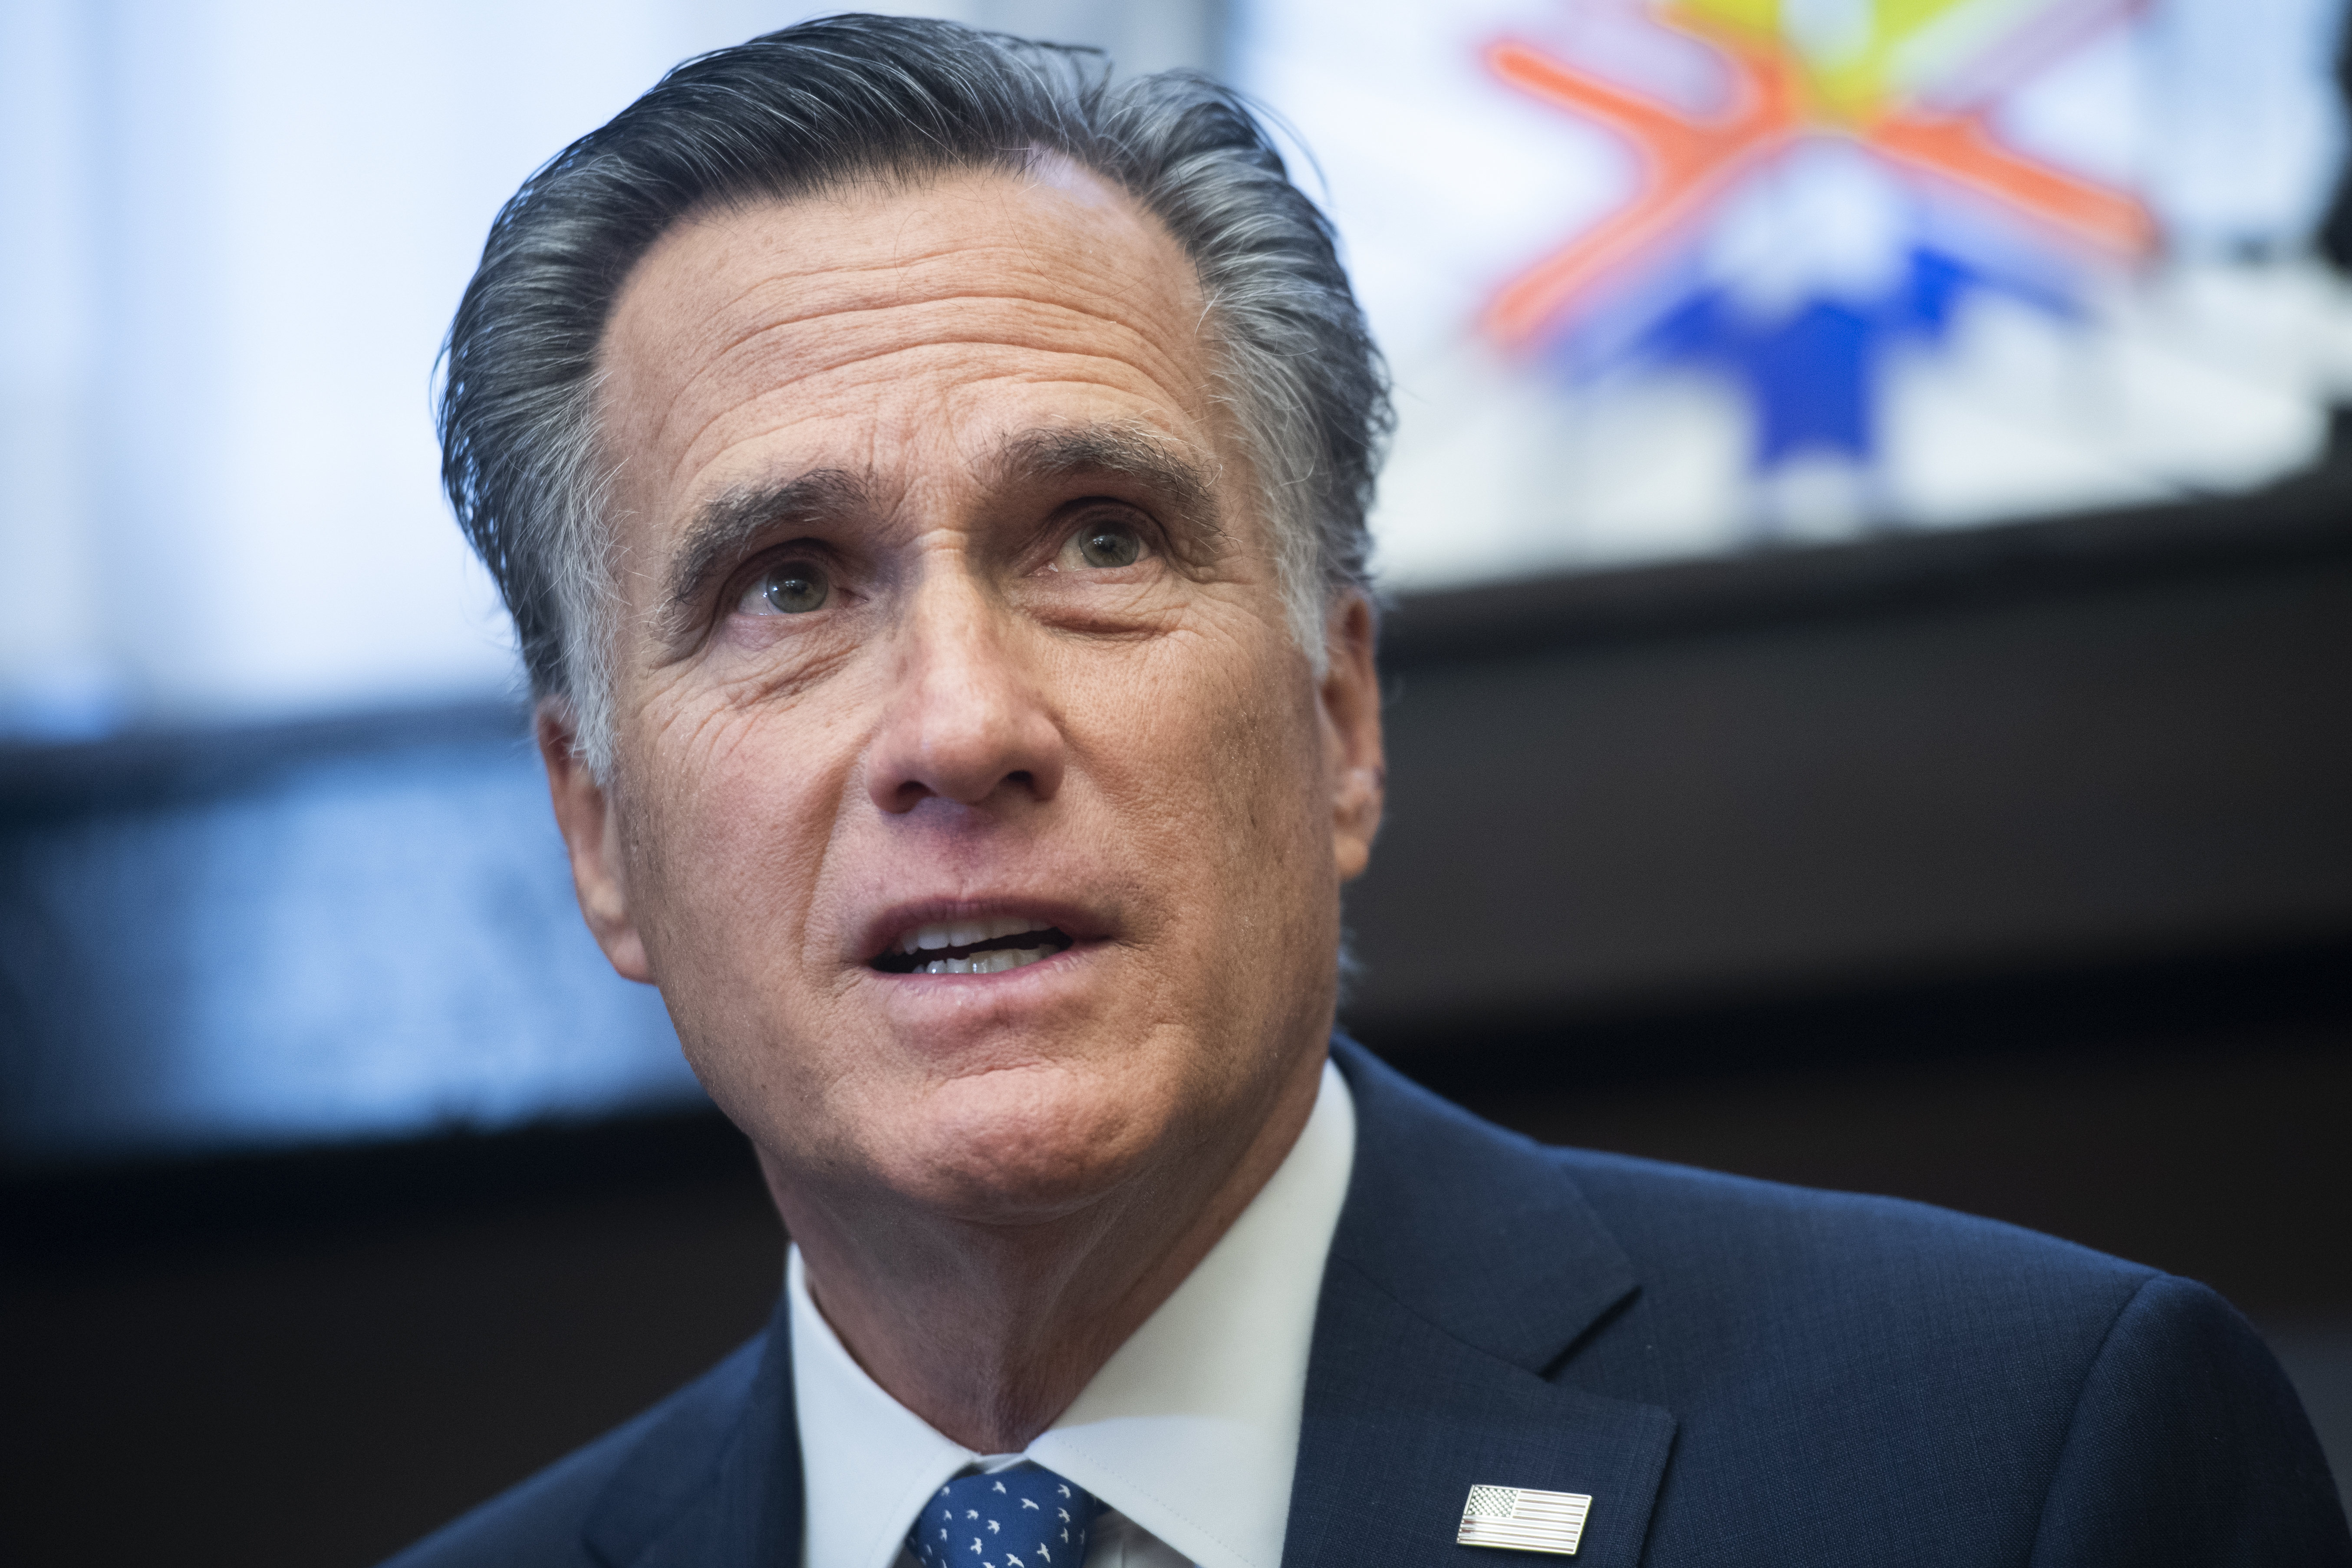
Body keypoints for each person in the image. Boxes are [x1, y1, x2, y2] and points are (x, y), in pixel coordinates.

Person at [390, 16, 2346, 1567]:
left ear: (1336, 715)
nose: (960, 723)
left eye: (1096, 542)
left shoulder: (2006, 1465)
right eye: (787, 586)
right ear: (598, 833)